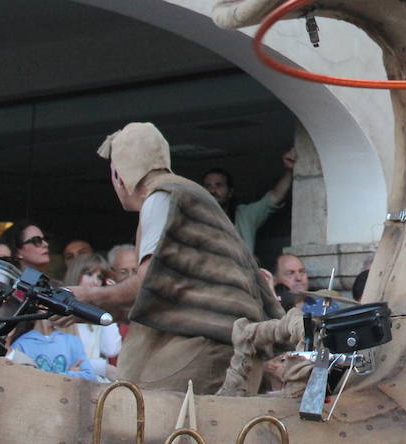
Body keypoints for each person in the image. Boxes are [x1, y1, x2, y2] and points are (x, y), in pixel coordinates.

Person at [68, 122, 282, 393]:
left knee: (154, 426)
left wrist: (89, 298)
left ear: (119, 176)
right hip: (229, 348)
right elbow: (168, 295)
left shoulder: (162, 197)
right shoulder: (189, 194)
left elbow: (148, 283)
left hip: (203, 350)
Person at [201, 146, 297, 254]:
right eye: (207, 186)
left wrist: (289, 170)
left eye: (219, 185)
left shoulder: (245, 216)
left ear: (230, 193)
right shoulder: (193, 218)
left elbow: (275, 197)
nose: (212, 190)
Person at [63, 253, 121, 378]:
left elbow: (111, 350)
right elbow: (66, 361)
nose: (95, 282)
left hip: (94, 383)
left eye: (99, 277)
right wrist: (102, 367)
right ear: (76, 274)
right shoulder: (61, 313)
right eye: (89, 274)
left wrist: (109, 304)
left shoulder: (98, 314)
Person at [7, 317, 107, 381]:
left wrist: (48, 375)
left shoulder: (71, 341)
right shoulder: (21, 344)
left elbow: (90, 376)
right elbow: (24, 380)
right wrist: (68, 374)